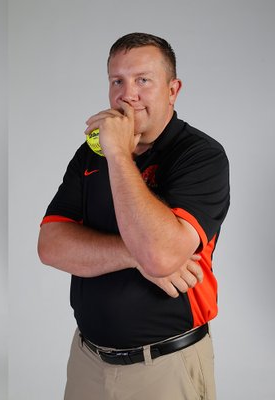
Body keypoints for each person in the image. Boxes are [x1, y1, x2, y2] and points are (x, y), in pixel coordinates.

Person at [37, 32, 230, 400]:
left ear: (173, 90)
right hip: (87, 361)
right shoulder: (89, 155)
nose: (128, 94)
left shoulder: (201, 156)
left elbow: (160, 253)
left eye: (143, 80)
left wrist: (118, 155)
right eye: (117, 81)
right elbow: (50, 246)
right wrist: (133, 256)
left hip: (167, 367)